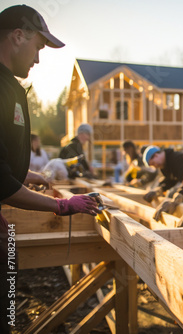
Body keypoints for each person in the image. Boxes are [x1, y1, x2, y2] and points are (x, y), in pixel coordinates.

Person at [0, 5, 99, 333]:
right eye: (38, 47)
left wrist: (28, 175)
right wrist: (61, 205)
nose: (38, 59)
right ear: (17, 36)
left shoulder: (8, 86)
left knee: (7, 272)